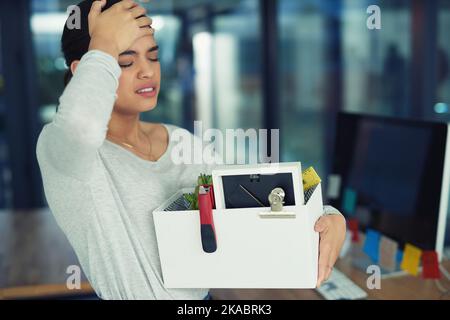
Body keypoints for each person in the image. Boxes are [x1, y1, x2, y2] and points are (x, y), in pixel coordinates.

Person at [36, 0, 346, 300]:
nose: (147, 72)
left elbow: (253, 210)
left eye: (153, 56)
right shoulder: (64, 153)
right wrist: (103, 39)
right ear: (85, 69)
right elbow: (81, 126)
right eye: (125, 61)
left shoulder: (180, 141)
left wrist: (329, 219)